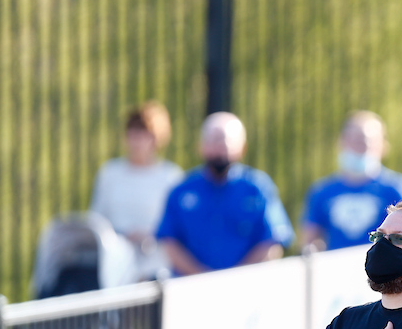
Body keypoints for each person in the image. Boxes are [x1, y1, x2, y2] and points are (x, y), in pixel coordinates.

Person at [156, 112, 294, 275]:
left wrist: (233, 279)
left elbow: (273, 242)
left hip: (247, 289)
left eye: (226, 142)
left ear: (242, 148)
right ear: (201, 146)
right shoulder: (181, 192)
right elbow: (169, 242)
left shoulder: (258, 188)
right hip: (190, 290)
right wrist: (201, 277)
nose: (220, 148)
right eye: (214, 140)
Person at [300, 111, 402, 251]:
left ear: (383, 146)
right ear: (342, 142)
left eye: (366, 142)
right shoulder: (322, 191)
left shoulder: (397, 189)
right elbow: (309, 239)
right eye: (354, 140)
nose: (360, 148)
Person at [89, 101, 184, 279]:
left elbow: (178, 226)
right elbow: (97, 219)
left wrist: (149, 236)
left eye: (143, 134)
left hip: (156, 265)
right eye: (132, 133)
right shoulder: (110, 173)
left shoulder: (170, 176)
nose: (137, 140)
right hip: (115, 265)